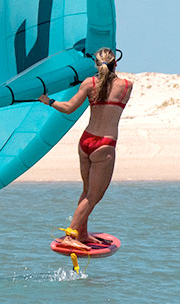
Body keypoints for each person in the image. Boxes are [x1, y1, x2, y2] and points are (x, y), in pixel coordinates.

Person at [38, 47, 132, 250]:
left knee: (87, 191)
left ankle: (82, 233)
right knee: (95, 195)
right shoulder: (126, 86)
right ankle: (71, 234)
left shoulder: (89, 83)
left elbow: (69, 108)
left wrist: (49, 101)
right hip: (104, 145)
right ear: (116, 64)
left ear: (96, 66)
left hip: (86, 141)